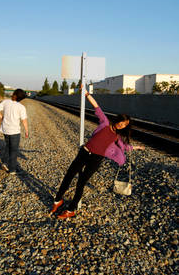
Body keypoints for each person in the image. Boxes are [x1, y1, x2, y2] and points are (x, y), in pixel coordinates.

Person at [51, 87, 144, 219]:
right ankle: (57, 200)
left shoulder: (117, 137)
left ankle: (71, 210)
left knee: (81, 183)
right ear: (118, 120)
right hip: (84, 152)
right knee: (69, 175)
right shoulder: (105, 123)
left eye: (124, 125)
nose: (122, 126)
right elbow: (97, 107)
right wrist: (86, 93)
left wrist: (137, 147)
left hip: (96, 159)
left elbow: (125, 147)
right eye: (122, 123)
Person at [0, 89, 29, 174]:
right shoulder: (21, 107)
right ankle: (12, 170)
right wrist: (26, 131)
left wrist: (2, 118)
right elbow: (24, 120)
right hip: (14, 131)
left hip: (5, 129)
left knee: (8, 146)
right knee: (14, 150)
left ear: (14, 94)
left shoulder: (6, 102)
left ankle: (5, 163)